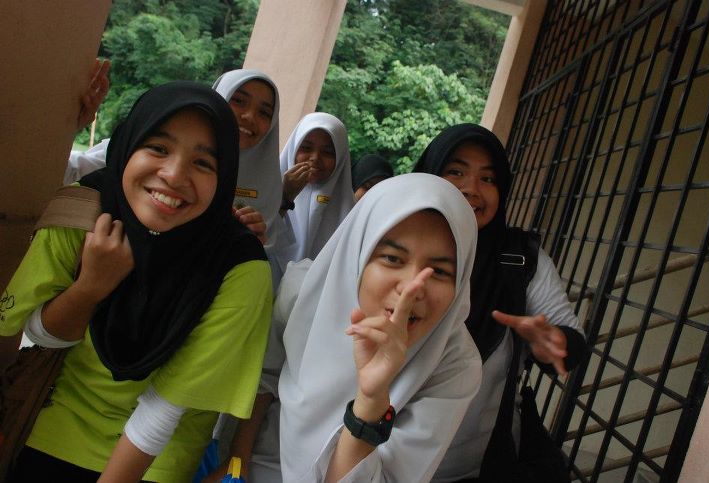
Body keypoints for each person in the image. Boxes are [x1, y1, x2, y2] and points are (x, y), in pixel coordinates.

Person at [1, 82, 273, 482]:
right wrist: (90, 287)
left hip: (157, 458)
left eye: (203, 163)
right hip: (51, 423)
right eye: (158, 148)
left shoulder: (238, 266)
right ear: (128, 145)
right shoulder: (81, 212)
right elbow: (39, 336)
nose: (174, 175)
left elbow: (165, 407)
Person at [208, 173, 482, 482]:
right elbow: (265, 380)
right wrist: (236, 463)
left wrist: (371, 402)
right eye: (392, 258)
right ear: (358, 252)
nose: (411, 288)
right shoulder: (303, 292)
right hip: (264, 463)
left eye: (440, 271)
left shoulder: (454, 365)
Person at [412, 124, 586, 481]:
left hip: (476, 469)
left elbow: (572, 342)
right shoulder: (390, 239)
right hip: (379, 458)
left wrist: (553, 341)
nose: (471, 189)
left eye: (488, 178)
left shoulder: (519, 259)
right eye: (456, 171)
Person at [65, 68, 281, 244]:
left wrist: (247, 241)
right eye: (239, 100)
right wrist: (68, 128)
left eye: (264, 112)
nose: (249, 116)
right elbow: (71, 172)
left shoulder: (270, 183)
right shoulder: (140, 146)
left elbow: (267, 252)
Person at [268, 112, 354, 282]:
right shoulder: (267, 190)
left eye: (328, 152)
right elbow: (260, 239)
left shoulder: (350, 210)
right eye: (306, 148)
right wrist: (284, 196)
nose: (315, 158)